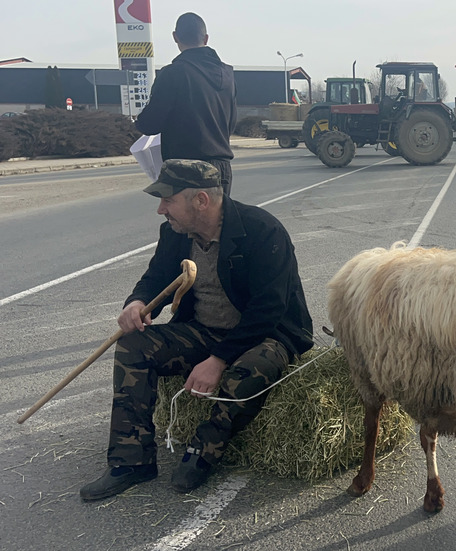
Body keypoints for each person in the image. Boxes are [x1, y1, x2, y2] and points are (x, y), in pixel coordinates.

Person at [80, 160, 313, 500]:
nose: (161, 210)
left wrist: (218, 360)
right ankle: (132, 461)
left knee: (248, 370)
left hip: (268, 333)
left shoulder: (263, 231)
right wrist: (136, 302)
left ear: (201, 200)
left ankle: (202, 453)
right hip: (204, 329)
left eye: (168, 200)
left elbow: (269, 308)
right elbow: (156, 278)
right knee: (134, 345)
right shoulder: (175, 233)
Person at [135, 13, 237, 195]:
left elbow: (150, 124)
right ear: (206, 39)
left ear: (175, 37)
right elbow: (231, 123)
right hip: (222, 168)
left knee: (185, 223)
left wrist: (137, 121)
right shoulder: (228, 75)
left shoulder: (172, 74)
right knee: (221, 222)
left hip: (186, 171)